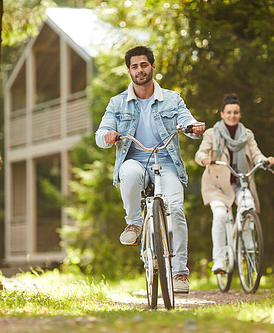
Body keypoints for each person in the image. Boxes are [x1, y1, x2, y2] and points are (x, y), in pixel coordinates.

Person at [95, 46, 205, 293]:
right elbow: (100, 134)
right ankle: (134, 223)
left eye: (144, 65)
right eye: (134, 66)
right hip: (135, 160)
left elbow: (186, 119)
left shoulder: (172, 99)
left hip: (166, 162)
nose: (139, 70)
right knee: (130, 173)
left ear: (153, 67)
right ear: (129, 71)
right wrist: (109, 136)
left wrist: (193, 126)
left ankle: (179, 273)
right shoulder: (117, 103)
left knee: (175, 209)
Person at [194, 93, 274, 274]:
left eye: (236, 112)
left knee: (249, 206)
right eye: (229, 112)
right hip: (216, 186)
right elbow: (199, 153)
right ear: (222, 114)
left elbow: (256, 154)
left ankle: (249, 247)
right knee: (220, 215)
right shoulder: (211, 134)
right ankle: (219, 259)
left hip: (241, 181)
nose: (232, 115)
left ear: (240, 115)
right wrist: (204, 159)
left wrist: (264, 160)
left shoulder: (247, 135)